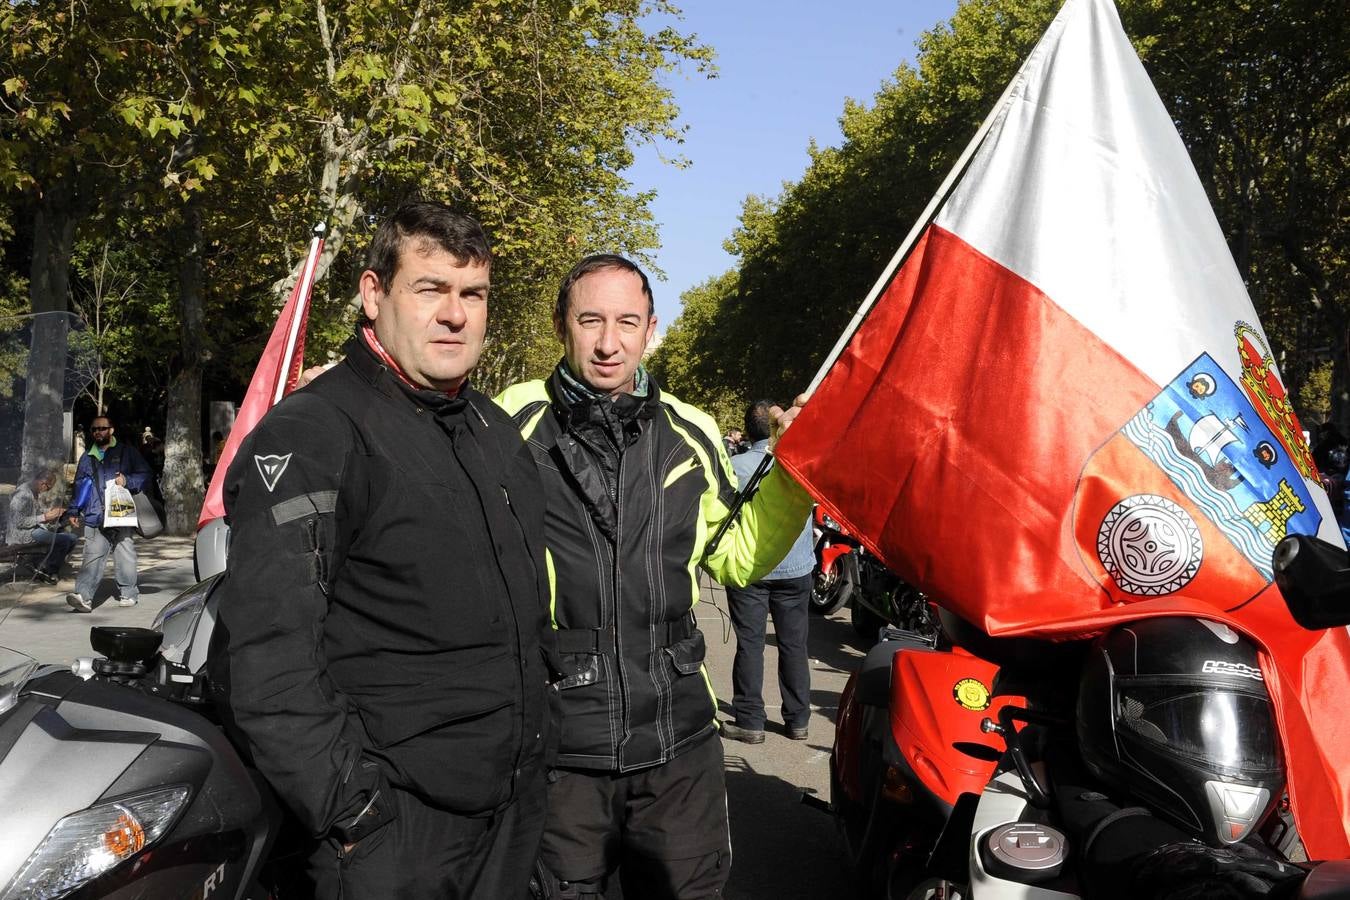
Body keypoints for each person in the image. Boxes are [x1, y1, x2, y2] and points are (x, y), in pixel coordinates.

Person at [208, 201, 557, 899]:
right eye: (429, 289)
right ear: (374, 295)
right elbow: (266, 658)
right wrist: (353, 811)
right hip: (390, 834)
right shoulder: (313, 433)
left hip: (509, 815)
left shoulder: (494, 430)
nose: (455, 314)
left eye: (473, 294)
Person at [497, 254, 813, 899]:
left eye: (626, 322)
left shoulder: (690, 429)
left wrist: (796, 472)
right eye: (590, 320)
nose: (608, 342)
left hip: (680, 741)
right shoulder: (508, 422)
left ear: (651, 330)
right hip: (559, 747)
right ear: (562, 325)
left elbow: (740, 557)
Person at [719, 400, 815, 745]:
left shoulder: (734, 465)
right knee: (794, 644)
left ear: (748, 431)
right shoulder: (798, 460)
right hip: (797, 566)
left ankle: (750, 719)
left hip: (752, 568)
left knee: (750, 644)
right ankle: (798, 718)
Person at [65, 415, 150, 612]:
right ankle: (83, 597)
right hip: (95, 514)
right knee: (92, 556)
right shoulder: (87, 457)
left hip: (121, 514)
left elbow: (145, 474)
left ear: (111, 430)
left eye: (102, 428)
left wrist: (127, 480)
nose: (98, 432)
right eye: (94, 429)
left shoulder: (127, 452)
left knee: (125, 553)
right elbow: (79, 485)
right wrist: (74, 509)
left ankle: (129, 593)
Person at [5, 469, 77, 583]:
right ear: (42, 483)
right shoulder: (22, 494)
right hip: (22, 534)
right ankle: (48, 570)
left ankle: (43, 564)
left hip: (34, 529)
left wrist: (53, 513)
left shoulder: (33, 492)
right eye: (48, 488)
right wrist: (45, 517)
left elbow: (36, 513)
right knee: (65, 540)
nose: (46, 491)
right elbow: (18, 521)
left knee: (72, 538)